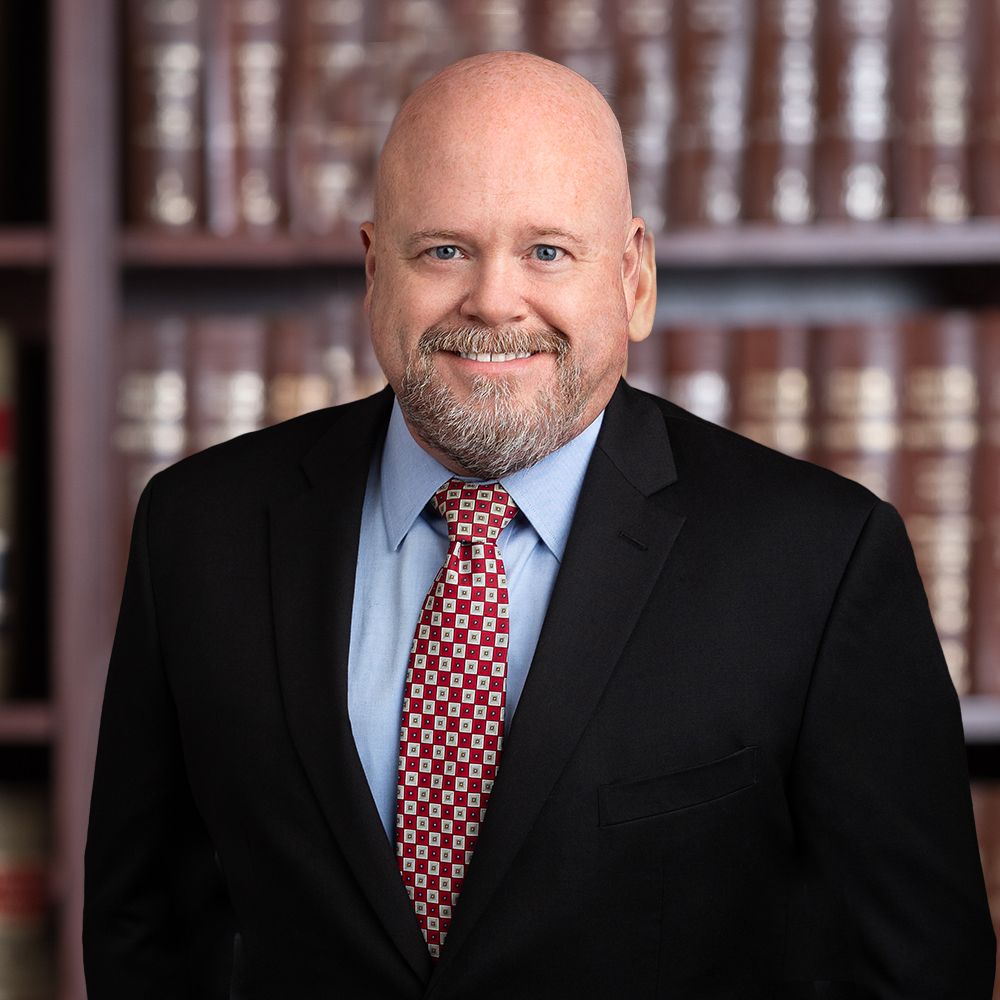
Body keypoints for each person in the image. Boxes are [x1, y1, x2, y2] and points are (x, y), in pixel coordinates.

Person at [83, 51, 995, 998]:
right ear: (372, 273)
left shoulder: (820, 562)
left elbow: (923, 969)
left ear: (635, 279)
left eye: (547, 251)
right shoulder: (198, 532)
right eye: (444, 249)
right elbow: (144, 931)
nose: (493, 300)